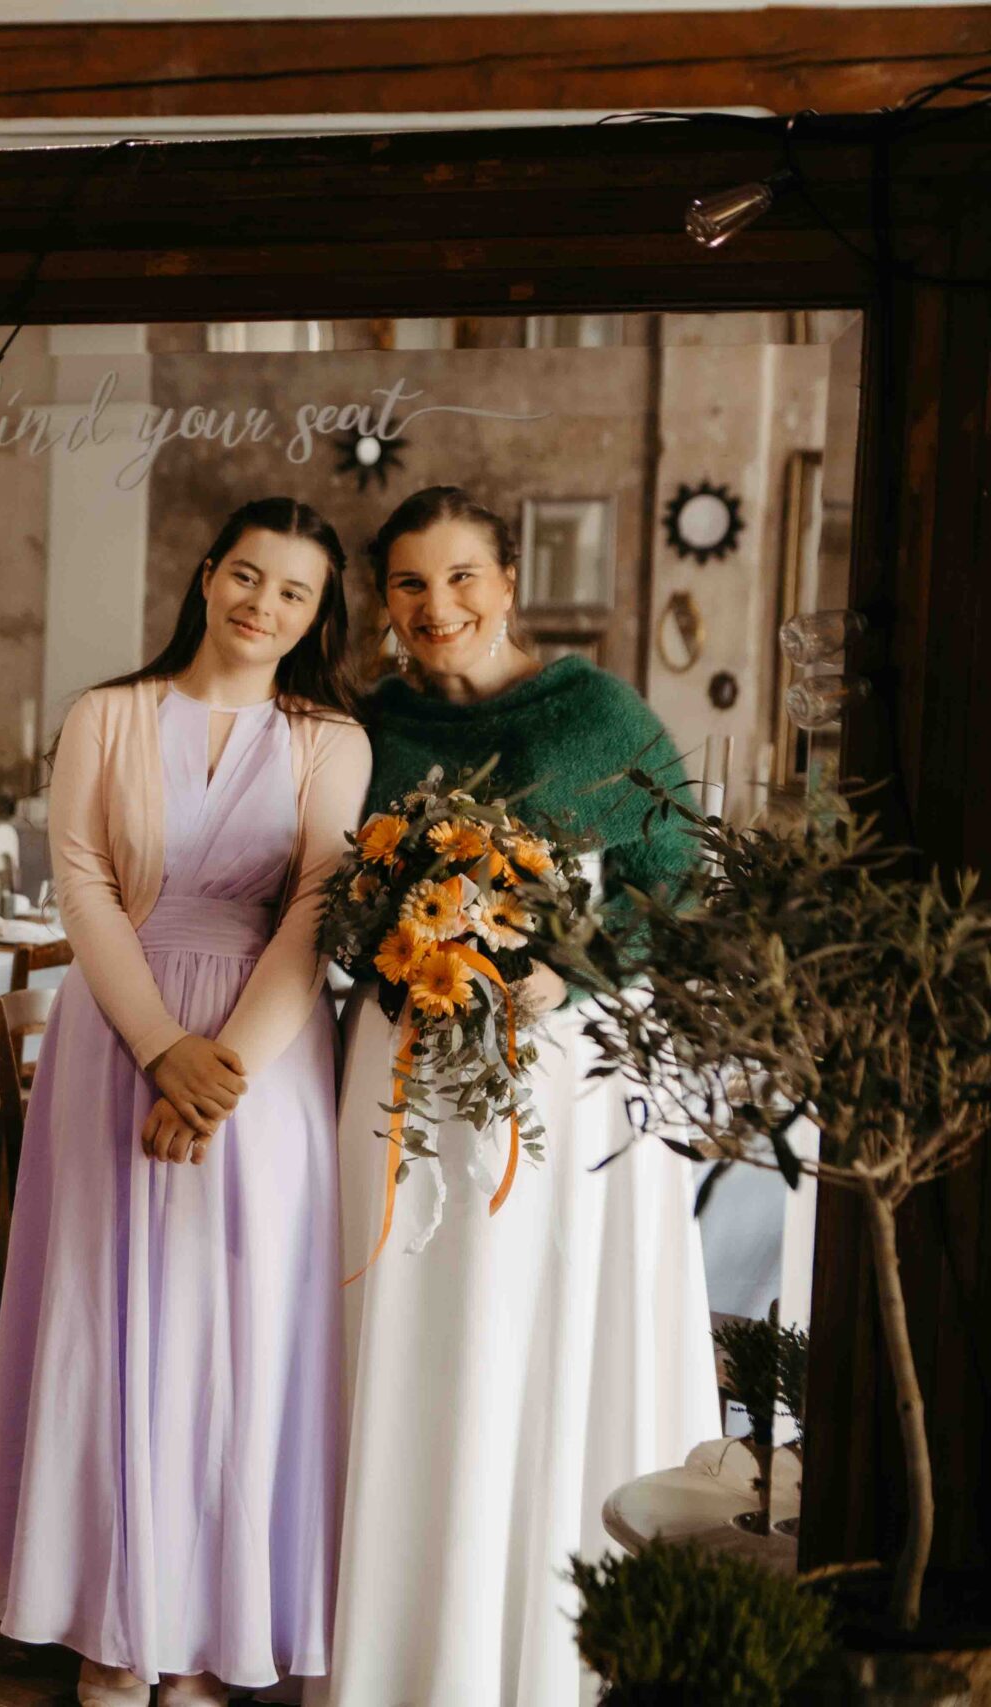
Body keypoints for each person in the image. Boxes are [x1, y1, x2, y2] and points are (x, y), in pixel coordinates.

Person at [320, 486, 720, 1707]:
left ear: (507, 581)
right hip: (404, 1066)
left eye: (459, 577)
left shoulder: (599, 715)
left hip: (557, 1072)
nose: (434, 605)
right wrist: (385, 941)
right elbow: (334, 891)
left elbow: (678, 882)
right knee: (414, 1330)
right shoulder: (366, 729)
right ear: (383, 601)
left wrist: (578, 964)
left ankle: (548, 1643)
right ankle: (398, 1641)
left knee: (531, 1323)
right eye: (408, 583)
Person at [0, 497, 372, 1707]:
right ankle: (109, 1631)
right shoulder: (104, 714)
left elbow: (315, 912)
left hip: (266, 1049)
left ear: (316, 615)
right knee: (100, 1322)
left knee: (237, 1330)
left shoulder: (331, 739)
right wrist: (160, 1050)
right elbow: (83, 888)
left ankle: (205, 1637)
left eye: (294, 591)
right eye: (246, 575)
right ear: (206, 576)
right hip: (116, 1032)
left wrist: (217, 1078)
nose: (263, 605)